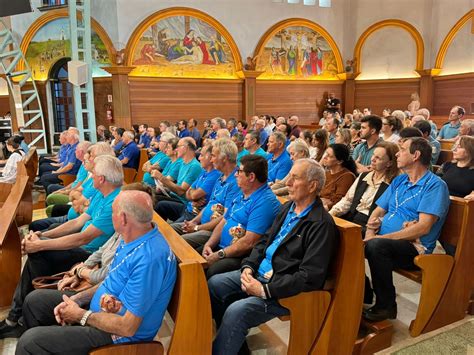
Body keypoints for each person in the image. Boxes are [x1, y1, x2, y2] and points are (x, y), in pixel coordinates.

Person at [15, 190, 177, 354]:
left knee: (30, 342)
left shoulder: (150, 259)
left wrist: (80, 315)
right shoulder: (132, 237)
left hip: (118, 337)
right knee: (35, 302)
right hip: (101, 314)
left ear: (123, 218)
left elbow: (128, 327)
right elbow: (110, 281)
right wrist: (77, 299)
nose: (111, 215)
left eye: (113, 212)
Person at [209, 159, 338, 354]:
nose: (288, 183)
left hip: (281, 288)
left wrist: (264, 290)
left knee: (237, 312)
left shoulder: (321, 224)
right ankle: (233, 344)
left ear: (312, 186)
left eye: (295, 178)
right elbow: (264, 241)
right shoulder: (288, 207)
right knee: (215, 284)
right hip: (259, 274)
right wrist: (248, 267)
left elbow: (310, 276)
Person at [0, 155, 123, 338]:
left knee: (40, 254)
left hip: (87, 253)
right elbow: (76, 223)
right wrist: (43, 237)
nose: (90, 173)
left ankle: (21, 315)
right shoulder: (101, 193)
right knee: (40, 250)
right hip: (89, 253)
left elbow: (82, 238)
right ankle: (23, 313)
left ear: (101, 179)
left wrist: (41, 245)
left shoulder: (115, 201)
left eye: (93, 172)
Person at [363, 137, 450, 321]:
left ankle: (386, 306)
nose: (397, 153)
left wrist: (380, 238)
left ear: (416, 155)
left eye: (402, 149)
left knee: (376, 247)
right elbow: (378, 210)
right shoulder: (400, 180)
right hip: (385, 238)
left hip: (414, 248)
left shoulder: (434, 185)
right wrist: (370, 231)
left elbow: (423, 228)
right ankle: (362, 291)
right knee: (347, 235)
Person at [201, 155, 280, 279]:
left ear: (251, 177)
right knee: (194, 255)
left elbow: (249, 242)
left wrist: (219, 254)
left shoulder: (265, 202)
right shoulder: (242, 194)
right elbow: (224, 222)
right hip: (223, 248)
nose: (236, 175)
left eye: (239, 171)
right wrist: (209, 245)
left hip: (241, 256)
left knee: (212, 271)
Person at [171, 138, 241, 249]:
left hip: (212, 231)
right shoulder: (221, 177)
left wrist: (197, 228)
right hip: (200, 224)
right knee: (169, 230)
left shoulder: (236, 181)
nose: (212, 160)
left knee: (178, 242)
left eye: (213, 156)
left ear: (224, 158)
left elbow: (225, 217)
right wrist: (193, 222)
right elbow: (208, 204)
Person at [329, 141, 399, 231]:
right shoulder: (363, 176)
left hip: (370, 224)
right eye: (373, 155)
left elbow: (387, 213)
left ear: (389, 163)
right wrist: (331, 213)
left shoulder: (393, 183)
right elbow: (347, 200)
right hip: (352, 217)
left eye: (378, 158)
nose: (373, 159)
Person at [155, 143, 220, 222]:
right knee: (159, 204)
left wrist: (192, 195)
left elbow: (185, 193)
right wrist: (193, 196)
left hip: (192, 211)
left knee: (171, 229)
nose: (199, 158)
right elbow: (188, 193)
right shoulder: (203, 171)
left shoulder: (198, 167)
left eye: (202, 155)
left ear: (210, 158)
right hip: (188, 206)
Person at [153, 137, 202, 217]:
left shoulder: (194, 166)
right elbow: (178, 186)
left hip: (182, 202)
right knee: (151, 195)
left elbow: (181, 191)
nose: (176, 150)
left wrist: (161, 177)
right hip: (174, 196)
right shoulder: (183, 163)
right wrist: (165, 189)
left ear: (185, 148)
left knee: (158, 203)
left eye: (178, 146)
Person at [320, 144, 357, 210]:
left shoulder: (347, 177)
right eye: (325, 154)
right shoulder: (326, 174)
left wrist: (325, 205)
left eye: (329, 156)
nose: (324, 157)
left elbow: (339, 202)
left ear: (339, 161)